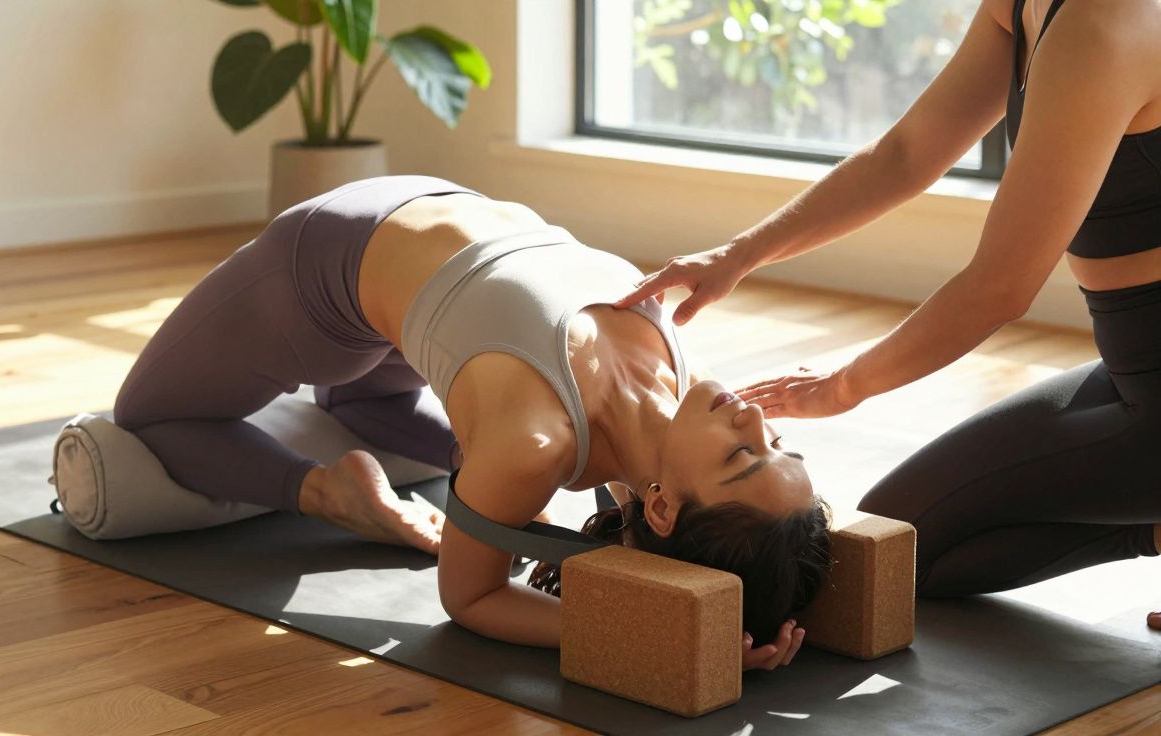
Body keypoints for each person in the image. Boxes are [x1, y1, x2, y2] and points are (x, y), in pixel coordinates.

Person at [112, 175, 832, 664]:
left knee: (148, 415)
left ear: (665, 508)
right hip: (381, 275)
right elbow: (647, 496)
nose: (751, 419)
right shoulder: (677, 391)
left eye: (742, 457)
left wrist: (660, 634)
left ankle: (326, 490)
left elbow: (471, 596)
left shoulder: (536, 445)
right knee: (359, 405)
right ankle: (367, 454)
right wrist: (688, 622)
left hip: (337, 267)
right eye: (778, 444)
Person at [616, 0, 1161, 630]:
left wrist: (846, 385)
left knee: (892, 559)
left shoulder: (1100, 24)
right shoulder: (1021, 8)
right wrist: (739, 254)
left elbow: (999, 288)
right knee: (891, 536)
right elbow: (905, 153)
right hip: (1129, 367)